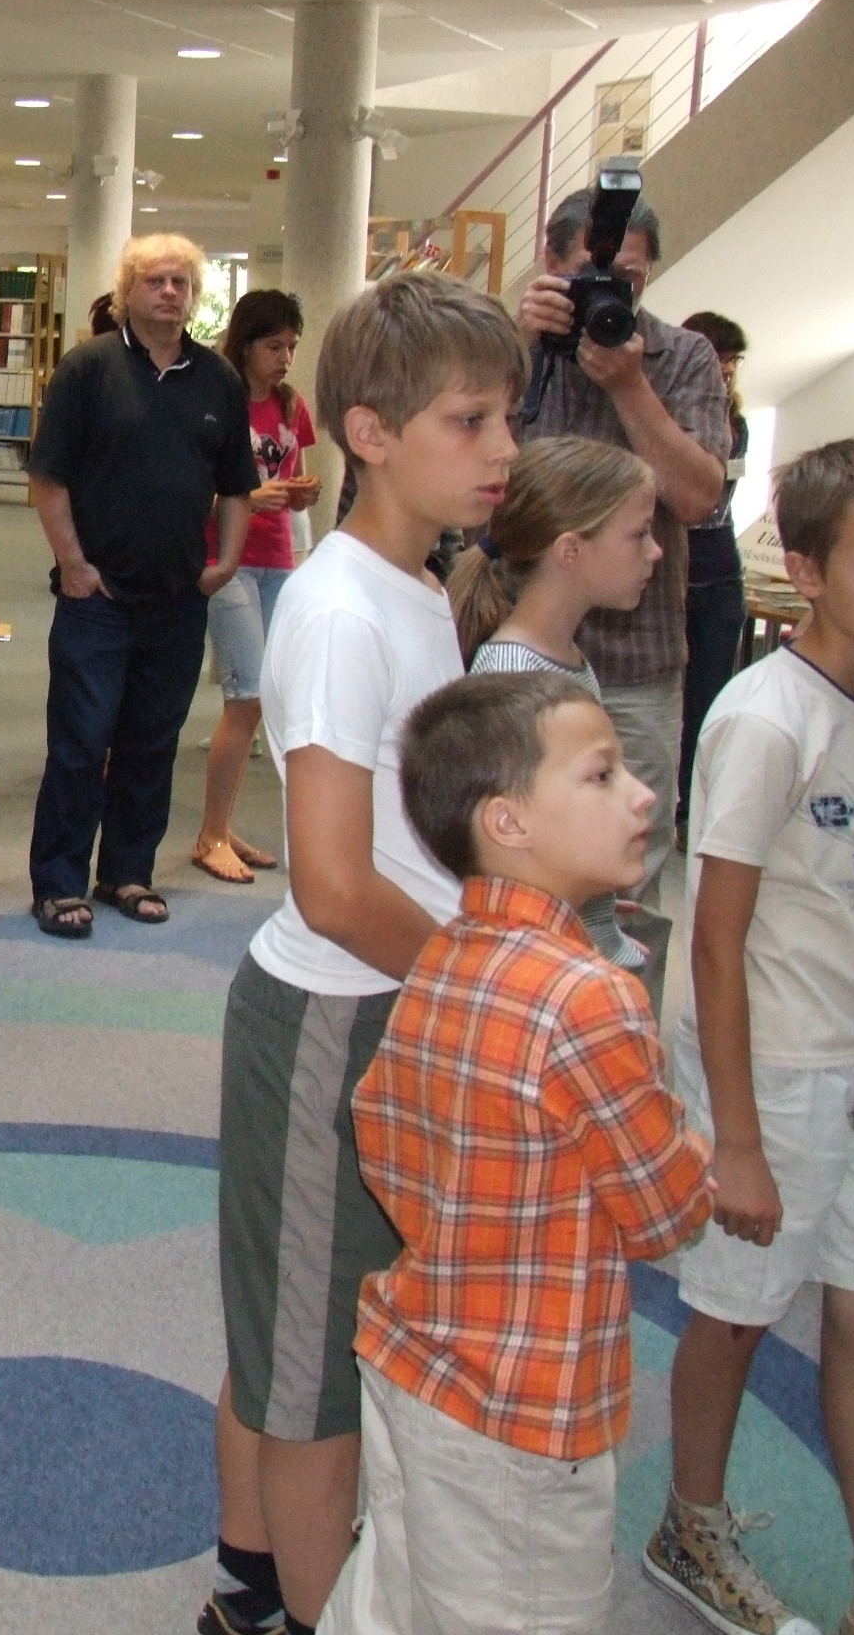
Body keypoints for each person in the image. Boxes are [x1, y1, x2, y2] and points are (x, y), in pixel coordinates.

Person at [204, 271, 524, 1635]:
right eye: (470, 421)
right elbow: (335, 888)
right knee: (314, 1372)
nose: (503, 450)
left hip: (392, 1001)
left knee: (300, 1323)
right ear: (371, 433)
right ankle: (309, 1606)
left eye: (506, 417)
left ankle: (250, 1581)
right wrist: (485, 975)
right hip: (336, 1016)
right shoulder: (340, 610)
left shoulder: (418, 584)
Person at [319, 671, 712, 1635]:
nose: (642, 795)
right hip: (525, 1414)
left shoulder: (443, 955)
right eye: (602, 775)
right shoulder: (592, 997)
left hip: (416, 1363)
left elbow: (384, 1139)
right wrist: (695, 1147)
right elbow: (664, 1216)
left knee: (393, 1602)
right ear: (509, 822)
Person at [647, 438, 854, 1635]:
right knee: (738, 1310)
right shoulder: (764, 720)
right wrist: (740, 1143)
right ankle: (689, 1525)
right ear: (805, 572)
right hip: (768, 1070)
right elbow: (716, 939)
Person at [26, 234, 257, 938]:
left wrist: (228, 562)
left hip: (179, 598)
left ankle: (127, 871)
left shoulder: (219, 380)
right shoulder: (88, 369)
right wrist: (73, 564)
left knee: (152, 743)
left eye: (181, 282)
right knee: (81, 742)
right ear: (127, 291)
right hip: (96, 598)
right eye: (154, 280)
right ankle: (59, 884)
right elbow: (48, 477)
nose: (168, 292)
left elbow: (237, 486)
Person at [514, 189, 732, 906]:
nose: (612, 292)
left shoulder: (683, 357)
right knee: (518, 847)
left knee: (633, 865)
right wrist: (517, 348)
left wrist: (631, 386)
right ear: (551, 265)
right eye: (593, 274)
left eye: (630, 279)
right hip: (525, 652)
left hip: (639, 661)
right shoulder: (515, 354)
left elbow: (698, 499)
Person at [448, 436, 661, 972]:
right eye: (638, 534)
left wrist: (598, 906)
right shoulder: (516, 677)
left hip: (584, 948)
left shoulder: (565, 658)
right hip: (554, 969)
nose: (655, 551)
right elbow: (515, 859)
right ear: (570, 551)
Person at [190, 289, 320, 886]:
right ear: (245, 346)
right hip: (229, 558)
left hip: (278, 557)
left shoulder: (292, 405)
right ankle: (211, 834)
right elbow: (193, 491)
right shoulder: (217, 400)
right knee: (245, 697)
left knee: (261, 695)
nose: (285, 358)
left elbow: (292, 485)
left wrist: (299, 494)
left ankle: (223, 825)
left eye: (291, 346)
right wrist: (247, 497)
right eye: (273, 346)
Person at [677, 312, 751, 836]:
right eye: (717, 357)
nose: (725, 369)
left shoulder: (736, 424)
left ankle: (694, 811)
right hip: (675, 574)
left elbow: (716, 493)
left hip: (720, 574)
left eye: (732, 360)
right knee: (671, 701)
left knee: (710, 700)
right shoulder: (670, 413)